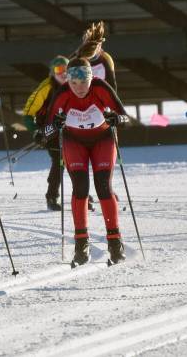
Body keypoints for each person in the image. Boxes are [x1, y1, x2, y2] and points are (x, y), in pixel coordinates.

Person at [46, 58, 128, 265]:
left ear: (91, 78)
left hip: (103, 140)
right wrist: (55, 125)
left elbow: (125, 118)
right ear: (68, 81)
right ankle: (81, 242)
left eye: (84, 82)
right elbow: (44, 132)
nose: (79, 88)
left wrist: (116, 119)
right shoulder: (63, 93)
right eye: (74, 83)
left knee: (103, 187)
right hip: (75, 143)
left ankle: (114, 241)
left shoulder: (100, 87)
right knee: (80, 188)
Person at [24, 56, 69, 211]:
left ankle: (81, 196)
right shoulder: (46, 87)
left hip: (71, 129)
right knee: (59, 161)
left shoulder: (74, 85)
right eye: (58, 70)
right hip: (50, 131)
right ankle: (52, 196)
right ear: (52, 72)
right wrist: (36, 131)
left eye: (66, 70)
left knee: (76, 161)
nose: (63, 73)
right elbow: (28, 113)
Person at [73, 21, 117, 89]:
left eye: (97, 46)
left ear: (100, 45)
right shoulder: (76, 57)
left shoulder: (106, 58)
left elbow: (112, 85)